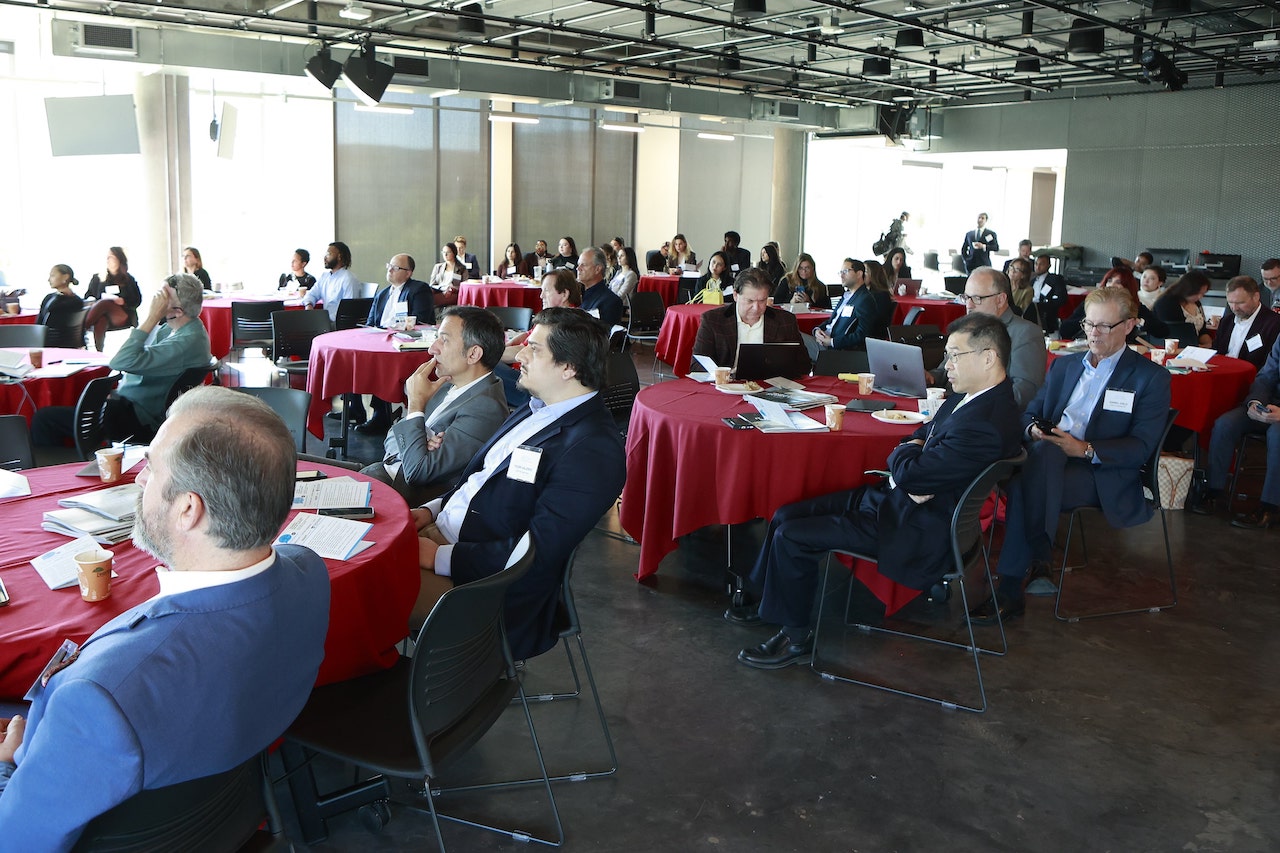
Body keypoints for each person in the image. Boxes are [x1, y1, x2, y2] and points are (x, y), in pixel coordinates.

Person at [0, 386, 330, 850]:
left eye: (151, 467)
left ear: (188, 510)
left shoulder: (99, 698)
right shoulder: (310, 570)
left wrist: (18, 761)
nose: (138, 479)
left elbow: (17, 841)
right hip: (225, 812)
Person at [731, 312, 1023, 669]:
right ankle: (774, 605)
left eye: (955, 355)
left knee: (793, 535)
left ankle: (795, 638)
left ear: (988, 357)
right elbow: (919, 436)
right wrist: (910, 456)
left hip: (915, 529)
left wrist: (909, 461)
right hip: (898, 502)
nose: (946, 364)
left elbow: (916, 471)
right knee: (785, 514)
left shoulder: (986, 423)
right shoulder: (975, 398)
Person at [408, 307, 626, 661]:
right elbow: (482, 479)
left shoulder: (592, 450)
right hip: (444, 532)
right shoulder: (538, 406)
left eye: (534, 349)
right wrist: (432, 508)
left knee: (363, 590)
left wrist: (440, 556)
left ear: (569, 367)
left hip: (485, 587)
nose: (519, 353)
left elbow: (538, 552)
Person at [971, 286, 1172, 623]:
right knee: (1044, 456)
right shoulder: (1065, 366)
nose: (1094, 334)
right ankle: (1038, 560)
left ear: (1130, 325)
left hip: (1102, 472)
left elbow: (1141, 447)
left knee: (1024, 481)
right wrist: (1033, 430)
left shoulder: (1149, 377)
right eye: (1089, 324)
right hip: (1048, 461)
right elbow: (1027, 415)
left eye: (1104, 326)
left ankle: (1010, 587)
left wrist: (1085, 448)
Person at [33, 274, 212, 446]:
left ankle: (60, 472)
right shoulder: (181, 329)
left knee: (44, 419)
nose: (156, 301)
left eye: (162, 297)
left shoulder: (183, 343)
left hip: (133, 419)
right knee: (65, 410)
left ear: (178, 311)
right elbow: (134, 352)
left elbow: (121, 361)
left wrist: (151, 317)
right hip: (129, 407)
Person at [362, 306, 509, 505]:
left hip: (398, 496)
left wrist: (415, 407)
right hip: (380, 474)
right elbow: (391, 440)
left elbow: (417, 472)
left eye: (444, 340)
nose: (432, 349)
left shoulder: (485, 407)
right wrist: (418, 440)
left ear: (473, 354)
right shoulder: (446, 385)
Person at [1194, 332, 1280, 529]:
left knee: (1277, 434)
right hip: (1269, 405)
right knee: (1225, 424)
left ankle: (1270, 506)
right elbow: (1266, 376)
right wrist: (1256, 403)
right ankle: (1213, 491)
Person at [928, 267, 1046, 410]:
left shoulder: (1025, 333)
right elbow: (944, 372)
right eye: (966, 298)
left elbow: (1023, 394)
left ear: (1000, 300)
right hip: (949, 406)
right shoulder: (966, 328)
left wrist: (970, 401)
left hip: (988, 417)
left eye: (977, 299)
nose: (969, 305)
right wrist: (928, 377)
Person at [357, 254, 438, 434]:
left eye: (396, 267)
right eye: (389, 266)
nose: (390, 270)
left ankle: (381, 414)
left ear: (408, 273)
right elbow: (371, 322)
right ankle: (357, 408)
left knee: (382, 366)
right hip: (380, 340)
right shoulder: (383, 293)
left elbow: (422, 321)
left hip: (405, 343)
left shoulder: (418, 289)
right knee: (358, 360)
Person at [693, 268, 809, 375]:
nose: (756, 308)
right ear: (735, 295)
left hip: (771, 387)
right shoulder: (713, 320)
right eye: (750, 301)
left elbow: (804, 365)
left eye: (762, 301)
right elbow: (697, 365)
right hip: (725, 388)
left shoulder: (785, 321)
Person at [810, 259, 890, 355]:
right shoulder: (846, 296)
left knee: (795, 340)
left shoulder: (864, 299)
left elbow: (862, 334)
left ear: (859, 274)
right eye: (841, 272)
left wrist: (832, 342)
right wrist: (817, 330)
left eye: (846, 271)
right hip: (824, 340)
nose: (842, 275)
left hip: (837, 349)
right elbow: (831, 321)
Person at [1211, 276, 1280, 371]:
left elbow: (1270, 367)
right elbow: (1216, 353)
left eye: (1240, 303)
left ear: (1256, 297)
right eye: (1230, 302)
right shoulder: (1226, 321)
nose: (1234, 308)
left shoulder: (1274, 323)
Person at [84, 246, 142, 351]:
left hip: (122, 315)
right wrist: (93, 302)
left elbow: (137, 300)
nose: (108, 260)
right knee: (101, 320)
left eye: (111, 257)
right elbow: (88, 296)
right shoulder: (97, 278)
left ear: (119, 260)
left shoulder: (128, 279)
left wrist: (124, 301)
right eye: (107, 257)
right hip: (102, 314)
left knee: (105, 303)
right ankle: (99, 353)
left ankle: (82, 329)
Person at [300, 241, 357, 323]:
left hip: (338, 324)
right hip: (326, 322)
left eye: (328, 254)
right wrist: (309, 305)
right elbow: (311, 294)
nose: (325, 258)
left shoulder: (348, 279)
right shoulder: (325, 277)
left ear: (339, 256)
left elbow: (349, 310)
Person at [1152, 270, 1212, 347]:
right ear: (1188, 289)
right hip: (1170, 347)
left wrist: (1208, 343)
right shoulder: (1166, 303)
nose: (1200, 297)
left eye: (1203, 294)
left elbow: (1202, 330)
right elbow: (1176, 332)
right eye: (1197, 293)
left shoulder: (1197, 303)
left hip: (1193, 346)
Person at [37, 264, 85, 349]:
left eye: (52, 275)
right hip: (48, 341)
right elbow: (39, 321)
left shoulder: (74, 301)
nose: (49, 280)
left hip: (57, 343)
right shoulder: (49, 297)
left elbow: (53, 309)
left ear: (65, 277)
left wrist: (60, 295)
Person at [576, 246, 624, 328]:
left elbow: (604, 337)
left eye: (583, 265)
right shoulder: (576, 295)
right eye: (578, 265)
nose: (578, 268)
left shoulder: (610, 301)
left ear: (597, 269)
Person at [1029, 254, 1069, 335]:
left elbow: (1062, 298)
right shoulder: (1032, 281)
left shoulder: (1055, 279)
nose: (1038, 267)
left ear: (1049, 265)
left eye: (1041, 264)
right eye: (1036, 264)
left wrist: (1044, 305)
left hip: (1046, 313)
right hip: (1032, 311)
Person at [427, 242, 468, 308]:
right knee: (426, 293)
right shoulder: (438, 267)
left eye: (448, 252)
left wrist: (452, 289)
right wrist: (441, 288)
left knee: (429, 300)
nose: (445, 254)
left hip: (452, 293)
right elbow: (432, 284)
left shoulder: (461, 268)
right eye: (443, 252)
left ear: (454, 253)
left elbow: (464, 286)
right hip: (439, 290)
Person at [1005, 257, 1040, 328]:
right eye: (1011, 267)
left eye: (1017, 269)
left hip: (1016, 323)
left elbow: (1022, 311)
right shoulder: (1002, 285)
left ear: (1023, 275)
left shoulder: (1028, 290)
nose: (1012, 271)